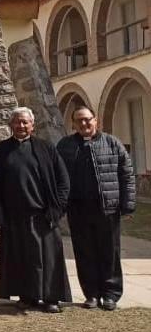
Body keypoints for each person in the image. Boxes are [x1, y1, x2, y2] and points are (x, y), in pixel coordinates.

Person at [0, 107, 71, 313]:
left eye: (25, 122)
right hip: (15, 217)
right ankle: (28, 297)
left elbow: (63, 181)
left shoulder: (46, 148)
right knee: (21, 259)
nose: (21, 126)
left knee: (49, 259)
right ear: (11, 125)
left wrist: (57, 209)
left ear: (32, 125)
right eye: (17, 122)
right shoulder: (1, 150)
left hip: (44, 215)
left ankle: (51, 298)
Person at [57, 105, 135, 310]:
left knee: (109, 253)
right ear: (73, 123)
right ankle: (91, 294)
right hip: (78, 210)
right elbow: (57, 177)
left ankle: (110, 295)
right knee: (84, 253)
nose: (84, 123)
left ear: (95, 120)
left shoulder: (112, 143)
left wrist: (128, 205)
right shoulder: (65, 146)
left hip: (107, 209)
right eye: (79, 120)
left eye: (87, 119)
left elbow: (126, 175)